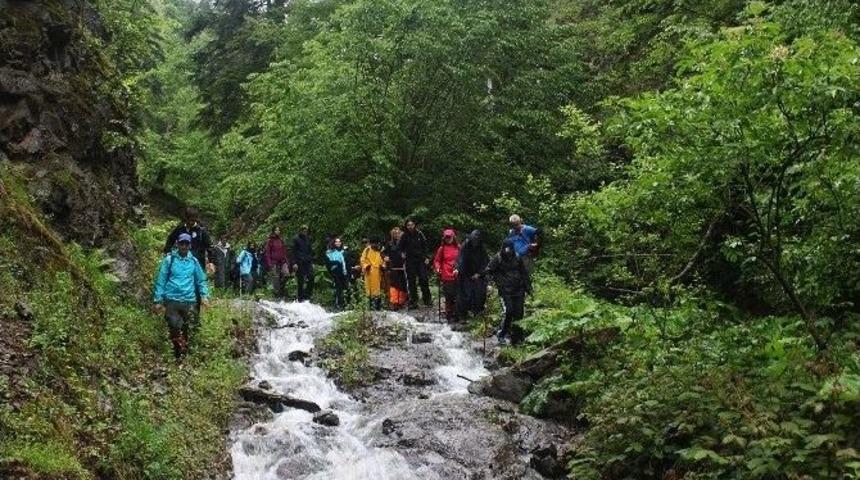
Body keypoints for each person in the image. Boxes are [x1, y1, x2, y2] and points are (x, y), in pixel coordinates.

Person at [153, 233, 210, 362]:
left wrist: (204, 296)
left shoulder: (194, 261)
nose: (184, 246)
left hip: (189, 300)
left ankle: (186, 355)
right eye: (181, 243)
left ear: (190, 245)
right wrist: (157, 300)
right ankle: (176, 354)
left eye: (186, 244)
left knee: (190, 327)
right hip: (172, 299)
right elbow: (161, 280)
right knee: (174, 325)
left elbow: (201, 280)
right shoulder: (169, 260)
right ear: (177, 244)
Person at [484, 239, 531, 346]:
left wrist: (528, 287)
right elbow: (488, 271)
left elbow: (524, 273)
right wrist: (490, 284)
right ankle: (502, 334)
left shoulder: (518, 257)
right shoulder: (498, 258)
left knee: (519, 314)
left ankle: (517, 337)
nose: (508, 251)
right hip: (505, 290)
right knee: (509, 311)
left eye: (510, 249)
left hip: (519, 289)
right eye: (506, 249)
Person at [398, 218, 432, 308]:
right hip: (410, 261)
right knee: (411, 281)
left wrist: (427, 257)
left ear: (415, 225)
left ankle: (427, 300)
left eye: (411, 225)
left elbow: (425, 247)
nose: (410, 226)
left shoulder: (420, 234)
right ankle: (413, 301)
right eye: (408, 225)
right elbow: (400, 247)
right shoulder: (404, 236)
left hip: (420, 260)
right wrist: (402, 254)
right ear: (406, 226)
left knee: (424, 279)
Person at [457, 229, 489, 318]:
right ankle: (462, 315)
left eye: (477, 241)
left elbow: (485, 262)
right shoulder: (465, 246)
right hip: (465, 273)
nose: (475, 242)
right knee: (465, 294)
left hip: (478, 274)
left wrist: (479, 273)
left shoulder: (482, 248)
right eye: (474, 240)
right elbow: (461, 260)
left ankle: (477, 313)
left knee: (480, 293)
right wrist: (463, 272)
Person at [433, 229, 461, 322]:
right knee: (449, 295)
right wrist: (437, 268)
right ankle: (449, 313)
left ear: (453, 237)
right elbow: (437, 260)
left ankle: (457, 313)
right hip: (446, 274)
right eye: (446, 237)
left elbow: (462, 260)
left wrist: (460, 268)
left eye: (450, 237)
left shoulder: (458, 248)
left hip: (457, 274)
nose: (448, 239)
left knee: (457, 295)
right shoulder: (442, 248)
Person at [383, 227, 408, 310]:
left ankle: (402, 302)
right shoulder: (389, 244)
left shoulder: (404, 243)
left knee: (403, 285)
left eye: (398, 233)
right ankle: (394, 302)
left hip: (403, 267)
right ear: (392, 235)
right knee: (394, 285)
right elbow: (383, 253)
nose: (396, 235)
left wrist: (405, 255)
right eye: (394, 234)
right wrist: (385, 257)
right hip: (393, 267)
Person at [264, 227, 290, 299]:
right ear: (273, 231)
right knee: (275, 277)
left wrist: (287, 261)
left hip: (282, 261)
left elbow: (284, 251)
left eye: (279, 230)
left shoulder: (281, 240)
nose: (278, 231)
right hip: (274, 261)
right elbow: (267, 252)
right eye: (276, 230)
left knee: (287, 274)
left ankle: (282, 288)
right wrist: (269, 263)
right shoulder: (270, 240)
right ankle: (277, 295)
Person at [291, 225, 315, 301]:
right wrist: (294, 263)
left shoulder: (308, 239)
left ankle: (307, 295)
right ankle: (300, 298)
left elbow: (310, 251)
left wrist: (312, 261)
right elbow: (293, 252)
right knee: (301, 281)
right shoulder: (296, 239)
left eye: (306, 230)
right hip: (299, 262)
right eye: (303, 230)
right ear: (300, 230)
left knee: (311, 277)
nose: (305, 231)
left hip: (308, 262)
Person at [361, 237, 385, 310]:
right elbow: (362, 260)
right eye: (373, 243)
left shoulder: (380, 250)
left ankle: (377, 306)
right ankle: (370, 306)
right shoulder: (367, 250)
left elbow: (383, 259)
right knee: (369, 288)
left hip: (377, 272)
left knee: (377, 289)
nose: (374, 244)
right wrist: (366, 266)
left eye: (376, 243)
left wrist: (383, 266)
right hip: (369, 272)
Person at [325, 237, 349, 310]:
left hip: (344, 272)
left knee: (345, 287)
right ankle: (338, 304)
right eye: (336, 242)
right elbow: (328, 263)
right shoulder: (330, 252)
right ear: (334, 243)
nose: (338, 243)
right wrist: (337, 263)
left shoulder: (344, 252)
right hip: (336, 272)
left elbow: (347, 263)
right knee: (338, 288)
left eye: (339, 242)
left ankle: (345, 304)